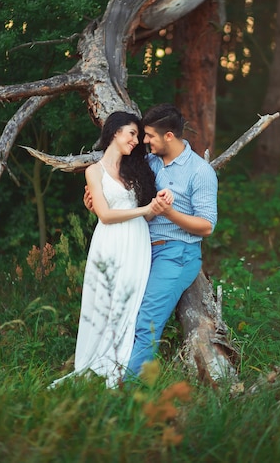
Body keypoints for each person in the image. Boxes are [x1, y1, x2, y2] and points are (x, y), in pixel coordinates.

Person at [50, 111, 173, 389]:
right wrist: (145, 209)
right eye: (131, 134)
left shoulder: (136, 170)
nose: (136, 141)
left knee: (130, 300)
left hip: (137, 242)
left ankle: (122, 365)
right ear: (115, 132)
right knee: (105, 300)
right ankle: (96, 361)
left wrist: (157, 206)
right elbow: (104, 215)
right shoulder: (94, 170)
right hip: (110, 241)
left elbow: (146, 214)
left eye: (138, 137)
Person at [124, 103, 218, 379]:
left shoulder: (199, 172)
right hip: (142, 251)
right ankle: (110, 375)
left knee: (147, 323)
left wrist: (170, 213)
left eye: (150, 136)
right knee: (126, 315)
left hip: (177, 255)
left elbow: (206, 226)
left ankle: (126, 392)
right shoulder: (150, 162)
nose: (144, 141)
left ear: (169, 136)